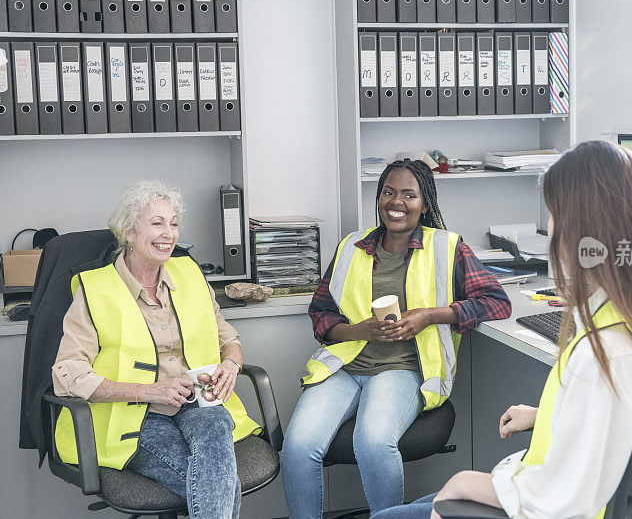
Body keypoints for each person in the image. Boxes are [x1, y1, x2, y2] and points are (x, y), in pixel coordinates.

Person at [372, 141, 632, 519]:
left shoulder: (607, 353)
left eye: (554, 213)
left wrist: (463, 482)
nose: (549, 227)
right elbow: (611, 415)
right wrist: (546, 415)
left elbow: (559, 499)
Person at [281, 159, 512, 518]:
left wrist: (429, 316)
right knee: (297, 446)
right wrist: (360, 330)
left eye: (409, 194)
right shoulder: (351, 247)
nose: (397, 202)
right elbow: (321, 315)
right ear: (378, 197)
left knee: (373, 442)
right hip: (345, 366)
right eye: (389, 192)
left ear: (425, 202)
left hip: (403, 368)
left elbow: (495, 302)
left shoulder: (447, 247)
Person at [52, 180, 260, 519]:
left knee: (215, 430)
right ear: (129, 232)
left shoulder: (190, 274)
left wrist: (231, 366)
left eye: (174, 223)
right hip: (136, 415)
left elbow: (228, 338)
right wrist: (151, 390)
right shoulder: (95, 291)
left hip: (199, 400)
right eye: (157, 223)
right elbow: (68, 375)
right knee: (220, 482)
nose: (169, 233)